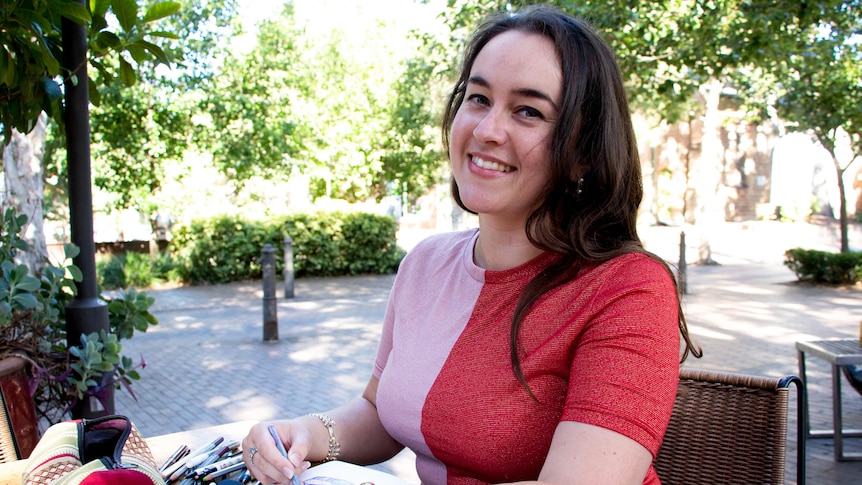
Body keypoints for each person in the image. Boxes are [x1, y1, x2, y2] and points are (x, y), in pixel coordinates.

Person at [242, 4, 700, 484]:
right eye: (478, 98)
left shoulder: (627, 290)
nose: (485, 131)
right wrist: (306, 435)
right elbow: (383, 411)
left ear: (583, 153)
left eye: (528, 111)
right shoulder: (424, 264)